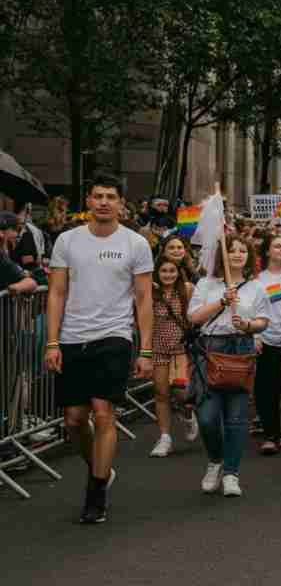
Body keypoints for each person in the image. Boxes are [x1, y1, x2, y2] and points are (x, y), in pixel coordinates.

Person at [43, 174, 154, 523]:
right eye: (98, 196)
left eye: (111, 196)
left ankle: (95, 493)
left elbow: (144, 297)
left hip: (114, 336)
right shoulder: (67, 241)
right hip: (74, 337)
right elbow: (56, 292)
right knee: (74, 420)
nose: (104, 202)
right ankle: (101, 470)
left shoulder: (136, 243)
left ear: (121, 203)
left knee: (104, 412)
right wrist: (52, 341)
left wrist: (146, 350)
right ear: (88, 202)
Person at [187, 234, 271, 497]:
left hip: (240, 349)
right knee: (208, 417)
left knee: (236, 418)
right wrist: (221, 301)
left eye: (242, 251)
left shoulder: (256, 287)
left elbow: (263, 321)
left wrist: (248, 326)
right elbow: (194, 318)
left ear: (248, 257)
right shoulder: (206, 284)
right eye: (232, 250)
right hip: (211, 350)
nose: (236, 255)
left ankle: (232, 473)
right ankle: (215, 460)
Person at [149, 255, 198, 457]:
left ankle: (188, 415)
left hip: (181, 347)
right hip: (159, 346)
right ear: (157, 273)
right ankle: (165, 437)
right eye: (163, 271)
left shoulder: (187, 289)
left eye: (172, 271)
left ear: (178, 272)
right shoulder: (151, 292)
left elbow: (196, 315)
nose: (168, 275)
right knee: (161, 392)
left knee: (181, 392)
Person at [254, 233, 281, 454]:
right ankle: (271, 435)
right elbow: (250, 309)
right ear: (268, 251)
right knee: (267, 389)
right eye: (277, 246)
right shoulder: (258, 279)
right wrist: (256, 336)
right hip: (268, 340)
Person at [0, 211, 38, 293]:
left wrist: (11, 288)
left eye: (17, 230)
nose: (16, 234)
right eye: (14, 229)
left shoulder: (3, 259)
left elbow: (31, 283)